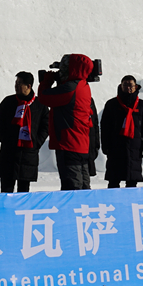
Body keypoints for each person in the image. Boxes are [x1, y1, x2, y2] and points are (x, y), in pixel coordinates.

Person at [39, 54, 98, 191]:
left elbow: (44, 97)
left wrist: (47, 81)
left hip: (69, 143)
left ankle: (75, 211)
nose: (61, 71)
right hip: (81, 143)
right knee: (83, 185)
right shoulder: (83, 85)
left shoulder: (71, 88)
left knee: (72, 187)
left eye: (65, 67)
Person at [0, 72, 48, 193]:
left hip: (28, 154)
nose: (16, 86)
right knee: (6, 191)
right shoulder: (8, 102)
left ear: (28, 86)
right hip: (9, 152)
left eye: (19, 84)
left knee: (24, 192)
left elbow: (46, 126)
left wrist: (36, 143)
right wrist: (5, 139)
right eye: (16, 83)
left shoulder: (40, 105)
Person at [100, 75, 143, 188]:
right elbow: (105, 126)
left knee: (132, 181)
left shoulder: (142, 105)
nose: (128, 88)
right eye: (125, 85)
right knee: (113, 181)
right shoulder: (112, 104)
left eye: (131, 85)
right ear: (121, 86)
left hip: (134, 148)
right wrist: (105, 145)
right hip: (115, 147)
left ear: (136, 87)